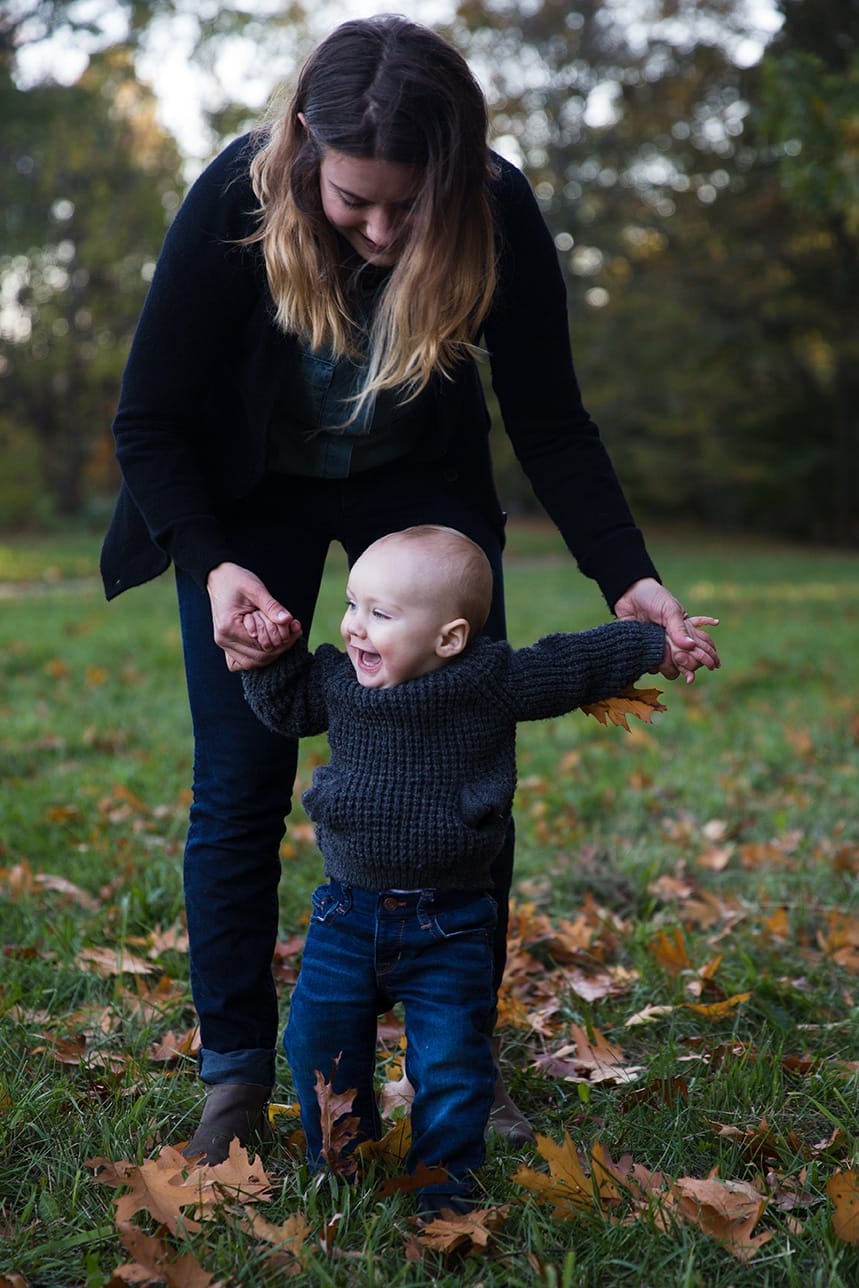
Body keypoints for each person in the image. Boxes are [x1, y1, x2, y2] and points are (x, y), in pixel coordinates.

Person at [99, 14, 720, 1165]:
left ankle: (459, 1068)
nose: (382, 232)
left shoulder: (498, 210)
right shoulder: (233, 199)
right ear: (302, 155)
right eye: (353, 202)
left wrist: (627, 575)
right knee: (238, 779)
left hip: (416, 497)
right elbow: (148, 420)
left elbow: (550, 422)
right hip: (248, 504)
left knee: (463, 765)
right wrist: (213, 559)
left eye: (409, 206)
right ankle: (234, 1069)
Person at [241, 524, 711, 1215]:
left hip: (450, 922)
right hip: (345, 916)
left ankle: (443, 1191)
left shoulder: (489, 681)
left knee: (455, 1067)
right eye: (350, 605)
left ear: (450, 638)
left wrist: (652, 642)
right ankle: (338, 1161)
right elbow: (283, 707)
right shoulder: (339, 683)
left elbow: (568, 662)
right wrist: (266, 656)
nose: (353, 628)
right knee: (319, 1043)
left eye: (380, 614)